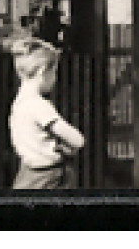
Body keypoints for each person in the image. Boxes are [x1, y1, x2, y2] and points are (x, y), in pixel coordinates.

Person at [8, 37, 85, 189]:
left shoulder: (19, 104)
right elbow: (78, 140)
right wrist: (67, 147)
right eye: (54, 72)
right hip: (48, 176)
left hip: (27, 173)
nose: (55, 79)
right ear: (43, 71)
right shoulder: (39, 105)